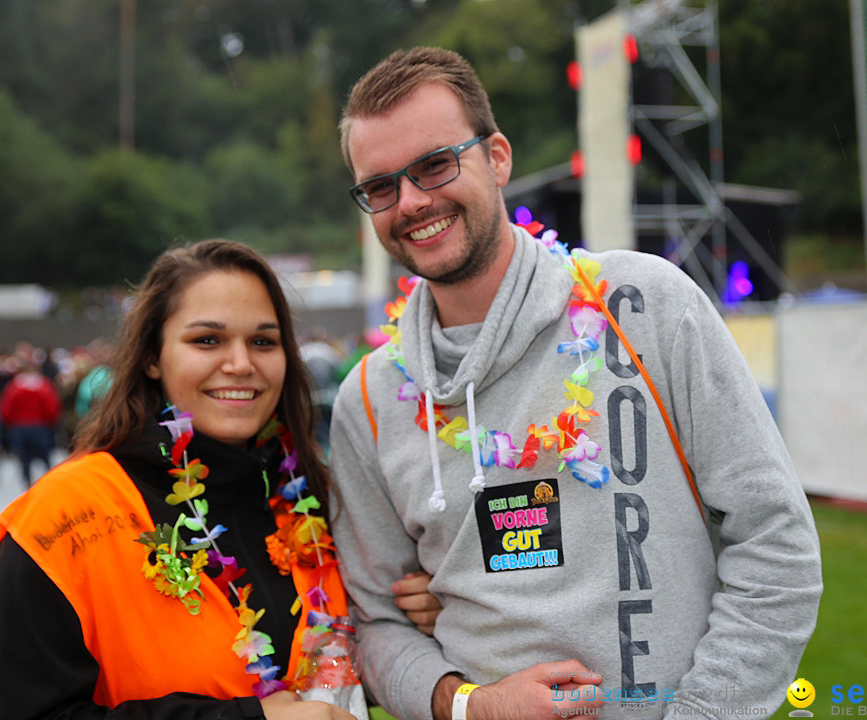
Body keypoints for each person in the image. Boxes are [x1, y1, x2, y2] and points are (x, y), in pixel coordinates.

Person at [328, 47, 823, 720]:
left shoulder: (642, 303)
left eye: (435, 165)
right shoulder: (369, 400)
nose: (411, 201)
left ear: (497, 158)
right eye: (380, 186)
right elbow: (376, 624)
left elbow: (775, 545)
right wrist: (469, 705)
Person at [0, 239, 440, 720]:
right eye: (207, 340)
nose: (241, 364)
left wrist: (420, 615)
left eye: (263, 341)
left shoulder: (312, 497)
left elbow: (343, 661)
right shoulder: (62, 517)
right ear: (153, 355)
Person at [0, 354, 63, 487]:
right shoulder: (44, 385)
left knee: (24, 457)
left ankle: (27, 482)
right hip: (40, 426)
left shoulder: (14, 386)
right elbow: (52, 407)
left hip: (20, 427)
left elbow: (5, 409)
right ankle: (49, 482)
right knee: (45, 456)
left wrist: (9, 424)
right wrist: (51, 424)